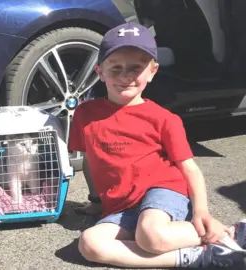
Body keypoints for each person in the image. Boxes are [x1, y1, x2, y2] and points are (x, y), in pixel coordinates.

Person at [69, 21, 246, 268]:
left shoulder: (164, 118)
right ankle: (199, 256)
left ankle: (232, 232)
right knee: (90, 245)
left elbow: (189, 168)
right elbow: (90, 158)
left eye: (136, 68)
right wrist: (96, 200)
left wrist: (201, 212)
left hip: (162, 190)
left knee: (151, 235)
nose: (125, 76)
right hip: (121, 206)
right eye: (115, 67)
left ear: (152, 71)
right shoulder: (85, 114)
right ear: (99, 71)